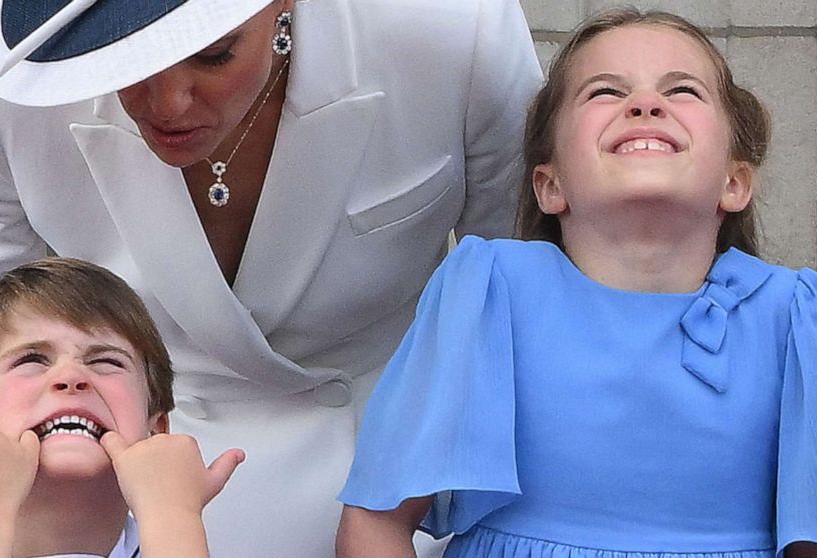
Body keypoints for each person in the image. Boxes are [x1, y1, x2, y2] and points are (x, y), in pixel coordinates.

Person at [0, 0, 542, 555]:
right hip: (140, 494)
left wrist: (437, 510)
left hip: (404, 493)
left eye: (213, 56)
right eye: (125, 61)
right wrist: (77, 515)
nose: (169, 104)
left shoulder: (453, 27)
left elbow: (529, 293)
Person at [336, 8, 817, 558]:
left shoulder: (794, 317)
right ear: (550, 184)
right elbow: (376, 522)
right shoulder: (489, 291)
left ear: (735, 182)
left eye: (682, 90)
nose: (645, 103)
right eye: (605, 92)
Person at [0, 258, 243, 558]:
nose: (72, 377)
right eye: (32, 359)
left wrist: (172, 517)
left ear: (157, 430)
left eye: (106, 361)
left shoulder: (179, 541)